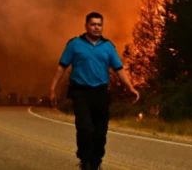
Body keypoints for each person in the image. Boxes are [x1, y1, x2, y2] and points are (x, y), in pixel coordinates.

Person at [49, 12, 140, 170]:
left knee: (100, 132)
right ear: (86, 26)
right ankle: (85, 160)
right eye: (93, 24)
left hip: (101, 93)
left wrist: (130, 87)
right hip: (81, 92)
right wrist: (53, 88)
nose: (96, 27)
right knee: (84, 128)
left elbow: (119, 69)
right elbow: (62, 67)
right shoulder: (74, 44)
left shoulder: (108, 46)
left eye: (99, 25)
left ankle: (96, 162)